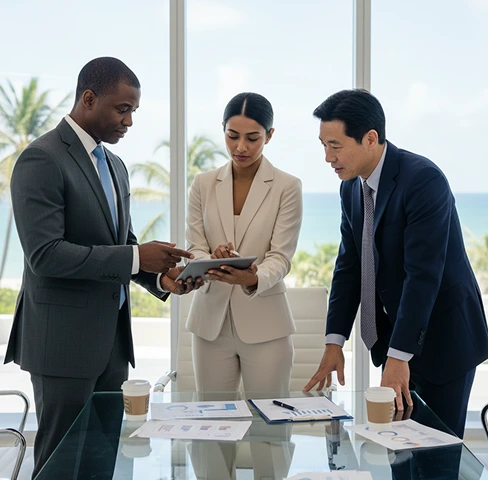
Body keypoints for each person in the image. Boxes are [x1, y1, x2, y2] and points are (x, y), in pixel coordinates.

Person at [4, 57, 202, 477]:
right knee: (60, 463)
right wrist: (135, 257)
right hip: (63, 346)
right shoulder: (41, 158)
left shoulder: (115, 166)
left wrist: (160, 277)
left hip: (112, 345)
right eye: (122, 109)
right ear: (88, 99)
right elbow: (45, 255)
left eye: (133, 111)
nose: (129, 121)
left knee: (102, 458)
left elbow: (123, 245)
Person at [304, 89, 488, 438]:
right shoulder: (351, 189)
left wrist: (400, 356)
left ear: (370, 138)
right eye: (323, 145)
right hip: (398, 340)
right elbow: (349, 267)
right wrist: (334, 342)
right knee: (400, 451)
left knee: (436, 456)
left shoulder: (423, 180)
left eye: (335, 145)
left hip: (443, 339)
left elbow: (423, 276)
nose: (327, 157)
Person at [185, 92, 303, 393]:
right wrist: (210, 256)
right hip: (210, 323)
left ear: (270, 135)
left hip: (266, 324)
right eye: (232, 135)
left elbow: (281, 256)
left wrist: (254, 277)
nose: (241, 147)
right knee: (211, 426)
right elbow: (194, 246)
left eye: (252, 138)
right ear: (222, 129)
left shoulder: (287, 187)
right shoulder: (202, 184)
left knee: (270, 430)